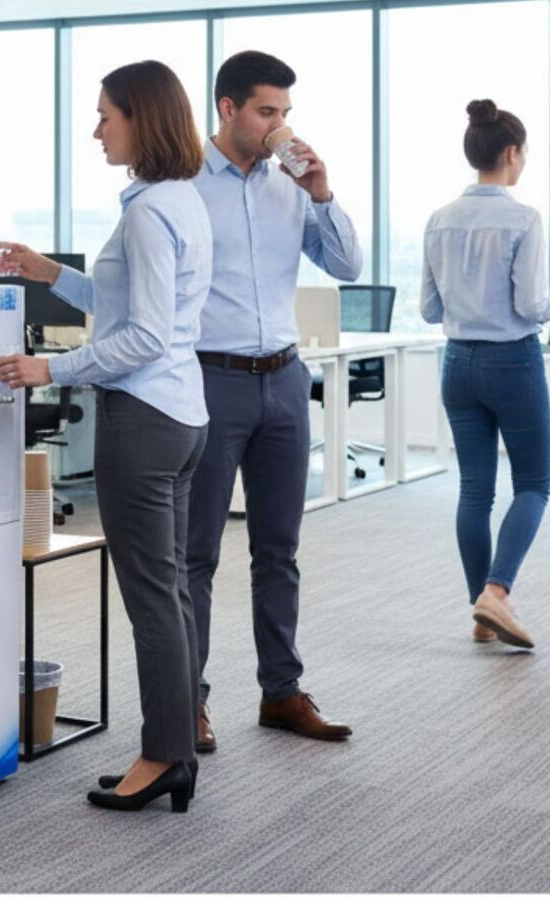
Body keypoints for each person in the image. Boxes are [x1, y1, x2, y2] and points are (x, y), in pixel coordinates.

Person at [0, 59, 211, 813]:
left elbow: (140, 337)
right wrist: (47, 270)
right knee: (171, 592)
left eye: (106, 116)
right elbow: (121, 302)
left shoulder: (150, 212)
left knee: (152, 599)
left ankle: (165, 755)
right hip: (184, 417)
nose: (96, 130)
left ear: (140, 120)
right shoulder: (179, 201)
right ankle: (174, 749)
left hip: (144, 422)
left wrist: (46, 368)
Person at [184, 50, 360, 753]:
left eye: (285, 112)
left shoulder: (291, 184)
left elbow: (348, 265)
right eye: (266, 111)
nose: (278, 125)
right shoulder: (183, 182)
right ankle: (186, 702)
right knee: (195, 555)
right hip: (209, 379)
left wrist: (321, 191)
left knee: (279, 551)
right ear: (227, 109)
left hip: (285, 379)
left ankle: (281, 692)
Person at [421, 99, 550, 649]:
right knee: (535, 484)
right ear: (511, 153)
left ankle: (480, 611)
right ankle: (496, 591)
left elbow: (428, 309)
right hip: (512, 362)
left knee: (474, 492)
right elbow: (528, 306)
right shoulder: (523, 218)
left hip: (456, 364)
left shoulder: (439, 219)